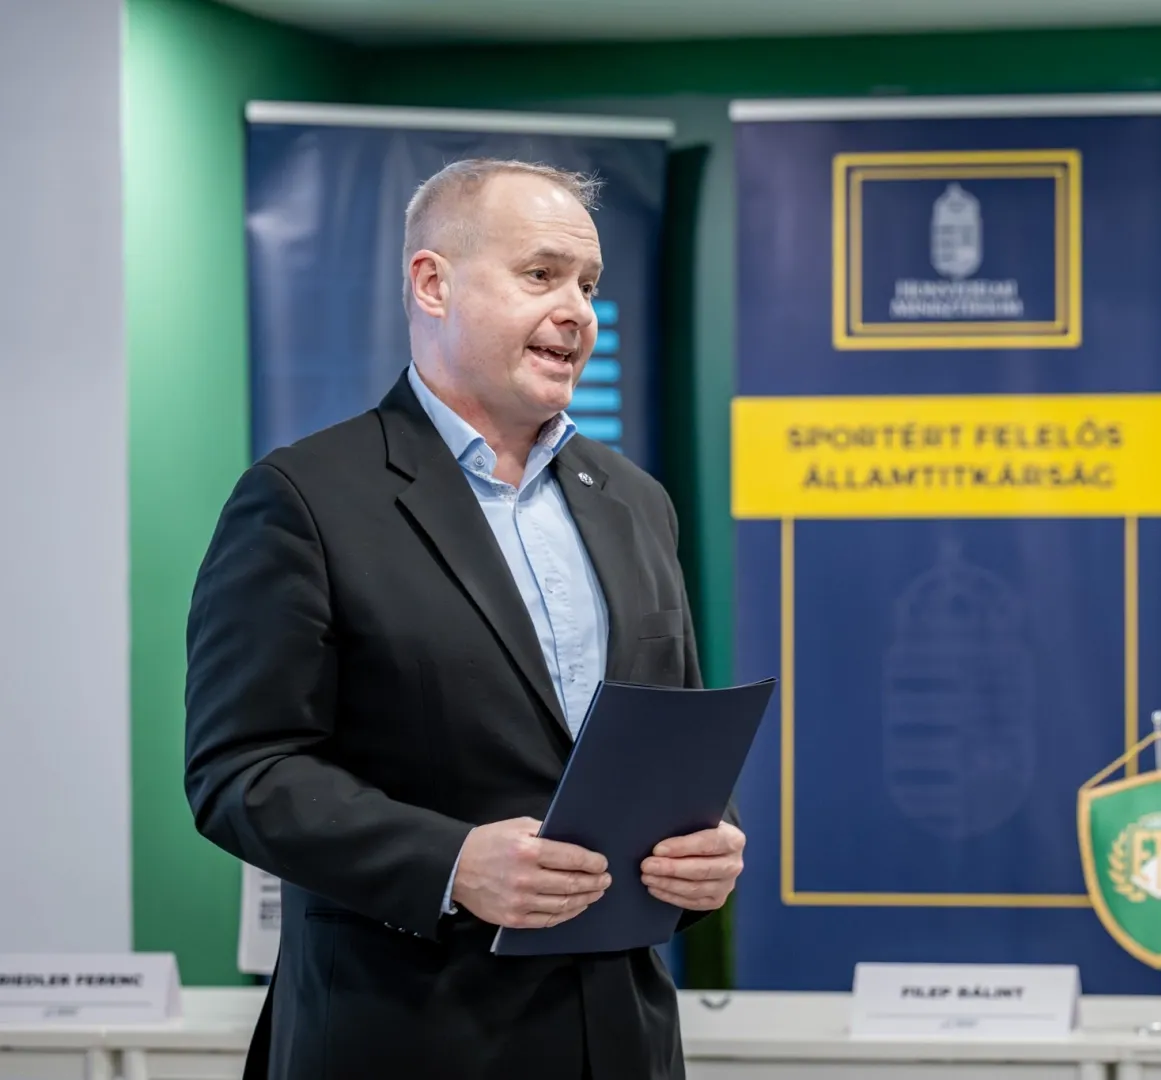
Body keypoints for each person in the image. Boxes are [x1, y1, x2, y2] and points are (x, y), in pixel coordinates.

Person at [183, 158, 744, 1080]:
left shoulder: (636, 503)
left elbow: (669, 739)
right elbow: (241, 771)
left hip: (622, 1036)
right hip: (403, 1033)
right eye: (541, 274)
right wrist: (451, 863)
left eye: (588, 284)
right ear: (432, 284)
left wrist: (705, 842)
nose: (577, 311)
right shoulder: (304, 499)